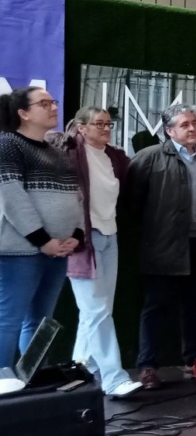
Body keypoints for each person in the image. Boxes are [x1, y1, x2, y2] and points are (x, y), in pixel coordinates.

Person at [48, 107, 142, 398]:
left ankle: (80, 371)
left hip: (109, 236)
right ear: (82, 127)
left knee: (99, 312)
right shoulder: (70, 153)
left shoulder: (114, 157)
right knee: (95, 310)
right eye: (98, 124)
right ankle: (113, 379)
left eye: (109, 124)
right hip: (81, 240)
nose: (105, 128)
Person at [128, 104, 196, 389]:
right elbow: (131, 206)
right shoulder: (148, 159)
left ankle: (192, 362)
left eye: (194, 123)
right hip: (162, 248)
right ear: (169, 131)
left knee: (195, 307)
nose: (192, 129)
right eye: (185, 125)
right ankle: (148, 367)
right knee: (155, 308)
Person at [0, 86, 84, 367]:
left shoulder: (57, 153)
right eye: (44, 103)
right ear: (23, 113)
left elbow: (76, 197)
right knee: (9, 318)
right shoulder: (8, 144)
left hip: (57, 251)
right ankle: (2, 377)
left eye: (54, 102)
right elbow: (11, 196)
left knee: (39, 321)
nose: (53, 107)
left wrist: (77, 235)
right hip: (20, 251)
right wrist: (42, 239)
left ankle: (32, 379)